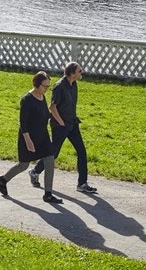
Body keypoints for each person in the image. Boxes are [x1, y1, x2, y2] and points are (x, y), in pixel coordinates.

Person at [28, 61, 97, 194]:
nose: (81, 73)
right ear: (72, 74)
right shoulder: (59, 86)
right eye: (79, 71)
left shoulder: (74, 84)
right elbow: (52, 107)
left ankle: (82, 183)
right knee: (54, 154)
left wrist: (70, 122)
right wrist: (61, 123)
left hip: (72, 123)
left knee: (82, 152)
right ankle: (35, 171)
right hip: (60, 125)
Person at [0, 71, 62, 204]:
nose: (47, 89)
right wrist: (28, 141)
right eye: (45, 86)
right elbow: (23, 123)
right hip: (28, 137)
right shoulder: (27, 99)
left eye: (48, 87)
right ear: (37, 85)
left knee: (50, 159)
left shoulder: (42, 97)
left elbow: (43, 115)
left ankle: (48, 194)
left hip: (42, 136)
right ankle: (3, 179)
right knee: (23, 165)